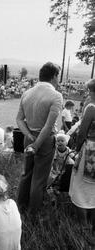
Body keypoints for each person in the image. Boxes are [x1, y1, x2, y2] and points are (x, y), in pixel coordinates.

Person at [16, 62, 63, 216]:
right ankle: (33, 213)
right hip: (45, 141)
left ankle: (20, 207)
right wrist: (36, 144)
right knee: (39, 179)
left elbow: (19, 120)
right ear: (54, 76)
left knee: (26, 174)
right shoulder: (56, 95)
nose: (59, 81)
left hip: (28, 137)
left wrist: (29, 136)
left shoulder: (27, 93)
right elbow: (48, 127)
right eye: (58, 77)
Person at [69, 79, 95, 232]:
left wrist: (76, 150)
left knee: (81, 187)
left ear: (90, 91)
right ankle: (92, 223)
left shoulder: (91, 107)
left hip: (91, 150)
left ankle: (83, 225)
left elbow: (81, 134)